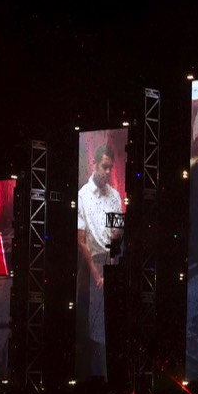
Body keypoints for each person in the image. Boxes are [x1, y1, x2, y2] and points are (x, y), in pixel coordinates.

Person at [76, 143, 122, 380]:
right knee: (95, 329)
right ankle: (97, 380)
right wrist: (97, 275)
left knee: (114, 323)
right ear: (94, 165)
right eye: (104, 167)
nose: (107, 172)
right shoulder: (82, 196)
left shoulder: (114, 196)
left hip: (112, 261)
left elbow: (117, 235)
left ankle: (112, 378)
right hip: (91, 264)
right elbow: (81, 241)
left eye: (110, 168)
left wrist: (113, 268)